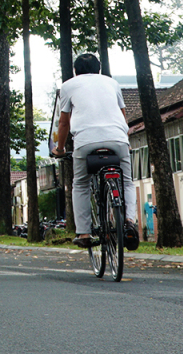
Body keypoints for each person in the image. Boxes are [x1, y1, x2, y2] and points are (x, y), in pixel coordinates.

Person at [52, 53, 139, 252]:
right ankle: (129, 221)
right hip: (118, 138)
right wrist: (126, 142)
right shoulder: (112, 83)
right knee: (126, 180)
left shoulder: (68, 86)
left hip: (85, 141)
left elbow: (64, 122)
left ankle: (83, 233)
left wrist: (60, 149)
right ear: (99, 69)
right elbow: (122, 116)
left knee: (81, 183)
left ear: (75, 71)